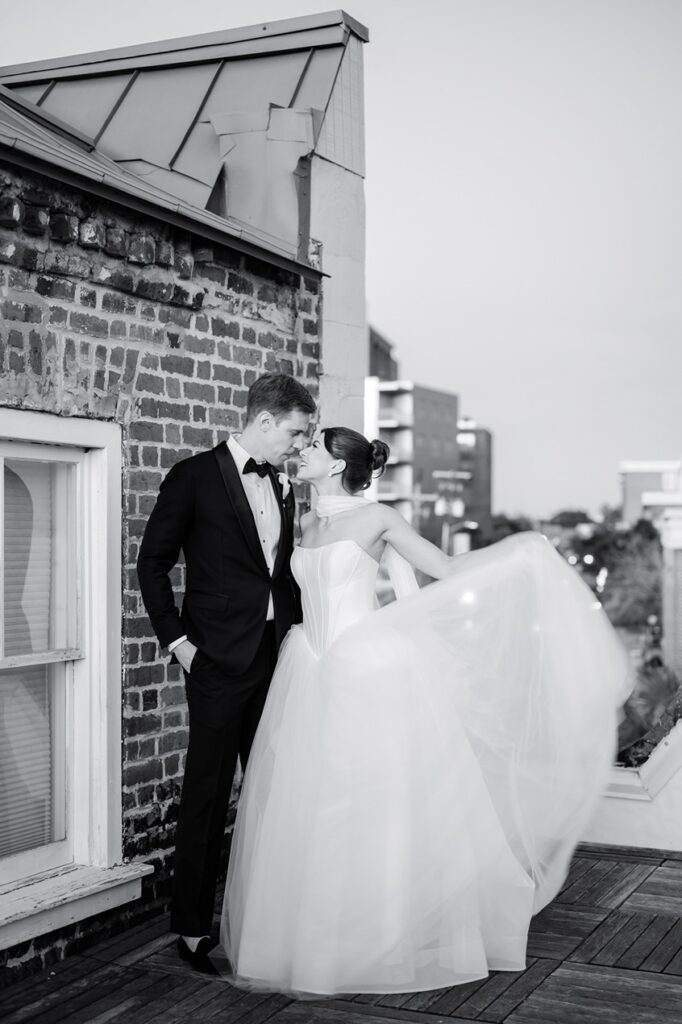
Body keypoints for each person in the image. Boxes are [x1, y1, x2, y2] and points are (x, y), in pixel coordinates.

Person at [219, 426, 632, 996]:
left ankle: (382, 939)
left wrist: (521, 554)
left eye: (312, 447)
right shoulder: (303, 522)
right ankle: (313, 941)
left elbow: (443, 570)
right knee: (307, 802)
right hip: (308, 666)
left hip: (363, 668)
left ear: (339, 465)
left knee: (365, 802)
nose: (301, 451)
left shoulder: (379, 519)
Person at [136, 373, 316, 971]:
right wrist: (179, 643)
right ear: (264, 421)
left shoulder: (285, 485)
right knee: (208, 797)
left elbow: (280, 573)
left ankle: (266, 919)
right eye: (294, 433)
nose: (297, 445)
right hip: (213, 662)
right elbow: (152, 564)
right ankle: (191, 928)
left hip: (276, 657)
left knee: (271, 795)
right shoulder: (193, 477)